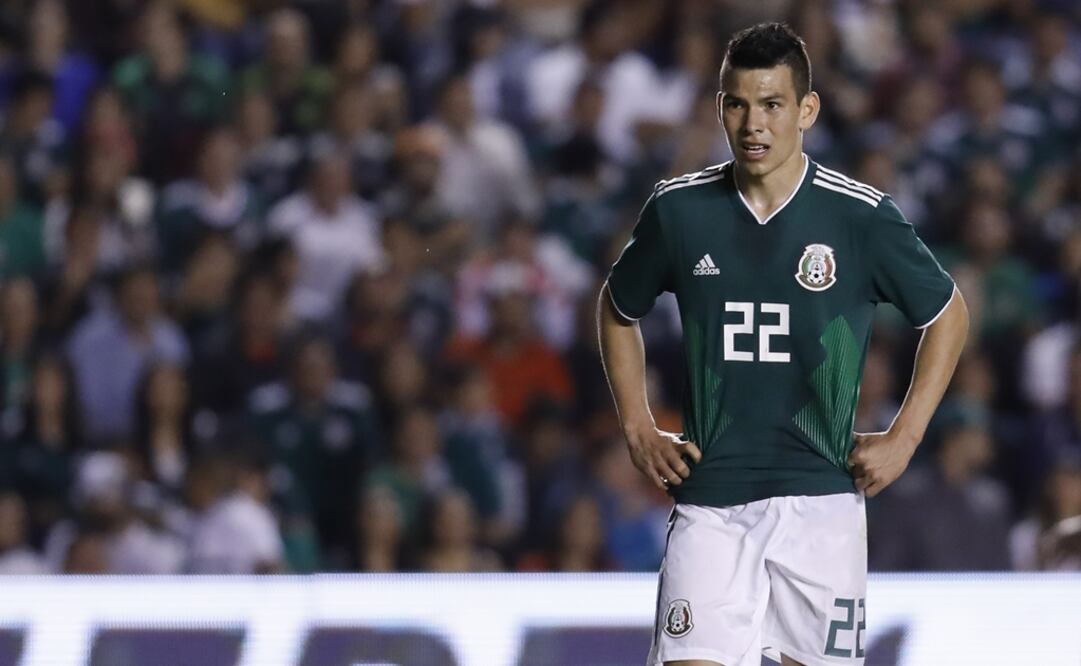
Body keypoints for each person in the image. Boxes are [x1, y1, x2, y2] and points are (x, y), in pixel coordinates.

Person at [597, 23, 969, 666]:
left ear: (807, 110)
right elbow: (616, 306)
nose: (753, 124)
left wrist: (905, 437)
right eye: (737, 104)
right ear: (720, 108)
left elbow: (948, 313)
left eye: (771, 104)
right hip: (712, 500)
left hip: (821, 502)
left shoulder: (859, 216)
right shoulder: (680, 211)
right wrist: (636, 425)